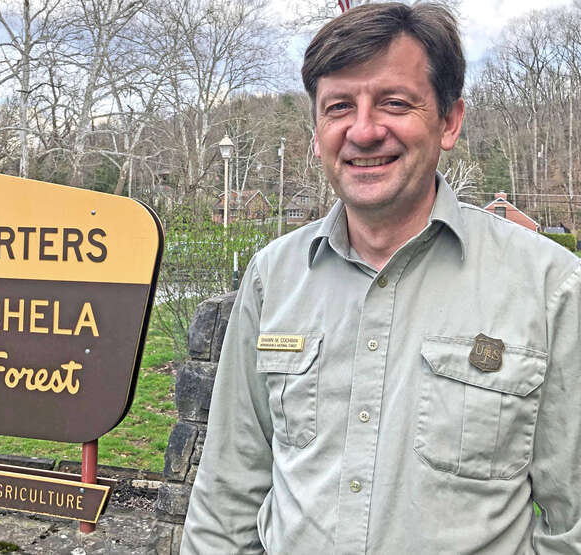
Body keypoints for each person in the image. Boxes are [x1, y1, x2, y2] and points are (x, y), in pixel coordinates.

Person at [181, 3, 581, 553]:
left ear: (449, 120)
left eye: (395, 103)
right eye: (339, 107)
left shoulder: (551, 287)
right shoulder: (272, 278)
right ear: (317, 129)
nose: (363, 131)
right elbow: (227, 498)